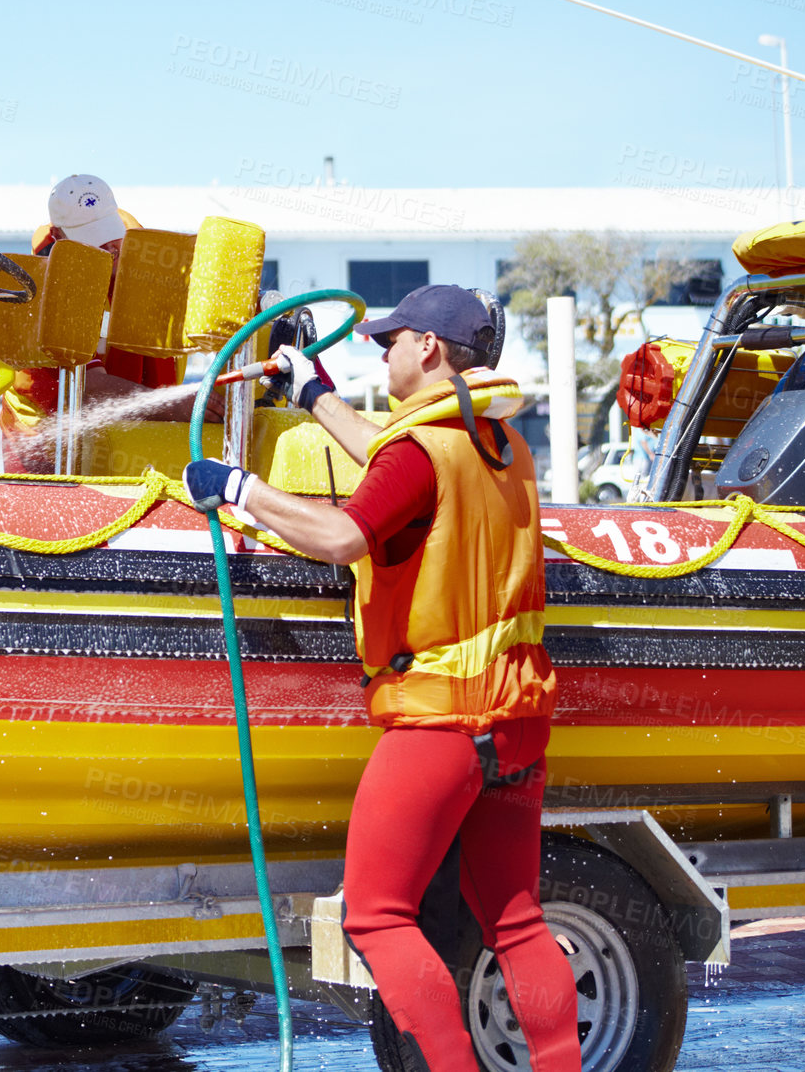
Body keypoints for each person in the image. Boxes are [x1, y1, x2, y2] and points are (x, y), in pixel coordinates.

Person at [182, 284, 578, 1072]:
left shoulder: (420, 449)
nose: (383, 349)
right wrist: (316, 399)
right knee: (515, 919)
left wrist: (239, 490)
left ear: (428, 349)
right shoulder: (495, 439)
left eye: (393, 339)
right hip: (518, 715)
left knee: (376, 914)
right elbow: (399, 461)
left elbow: (342, 536)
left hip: (441, 717)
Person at [0, 175, 216, 471]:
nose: (110, 246)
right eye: (93, 237)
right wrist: (180, 405)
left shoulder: (148, 264)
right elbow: (88, 387)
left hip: (134, 431)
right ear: (59, 237)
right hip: (40, 439)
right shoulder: (46, 289)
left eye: (110, 232)